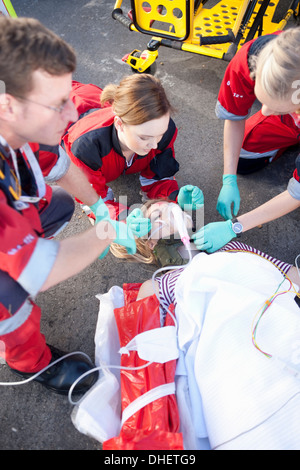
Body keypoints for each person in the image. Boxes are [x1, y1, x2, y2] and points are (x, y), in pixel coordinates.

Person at [0, 16, 141, 395]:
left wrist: (100, 207)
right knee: (10, 294)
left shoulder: (17, 122)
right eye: (58, 104)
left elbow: (58, 164)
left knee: (59, 203)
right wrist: (108, 231)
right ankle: (27, 360)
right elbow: (41, 273)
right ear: (8, 105)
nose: (74, 115)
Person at [192, 28, 300, 253]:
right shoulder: (253, 56)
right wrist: (228, 178)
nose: (266, 111)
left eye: (277, 106)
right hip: (292, 113)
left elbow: (297, 191)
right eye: (262, 101)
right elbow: (234, 117)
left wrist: (235, 227)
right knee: (243, 158)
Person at [60, 75, 204, 222]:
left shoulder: (164, 130)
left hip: (93, 99)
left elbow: (159, 175)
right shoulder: (85, 148)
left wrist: (176, 197)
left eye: (159, 134)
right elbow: (94, 202)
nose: (154, 145)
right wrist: (126, 220)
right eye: (144, 137)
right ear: (119, 124)